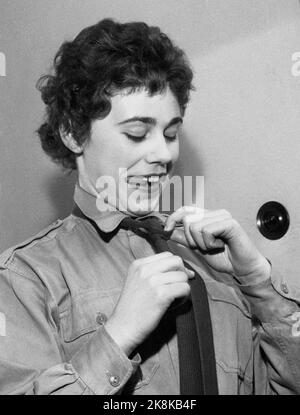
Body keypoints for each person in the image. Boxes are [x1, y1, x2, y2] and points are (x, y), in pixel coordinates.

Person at [0, 18, 300, 395]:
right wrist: (117, 336)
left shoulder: (216, 272)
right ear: (74, 133)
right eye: (137, 133)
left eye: (171, 133)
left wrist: (260, 285)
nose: (163, 153)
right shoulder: (24, 278)